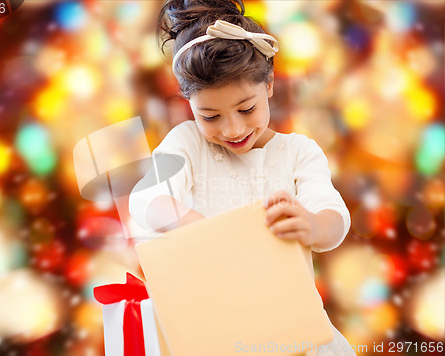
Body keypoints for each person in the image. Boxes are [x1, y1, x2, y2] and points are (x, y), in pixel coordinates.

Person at [129, 1, 355, 355]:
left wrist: (313, 225)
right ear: (189, 105)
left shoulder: (297, 152)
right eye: (210, 116)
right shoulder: (188, 144)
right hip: (220, 333)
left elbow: (334, 218)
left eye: (246, 109)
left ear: (269, 85)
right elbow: (145, 199)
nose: (232, 129)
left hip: (294, 332)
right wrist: (195, 227)